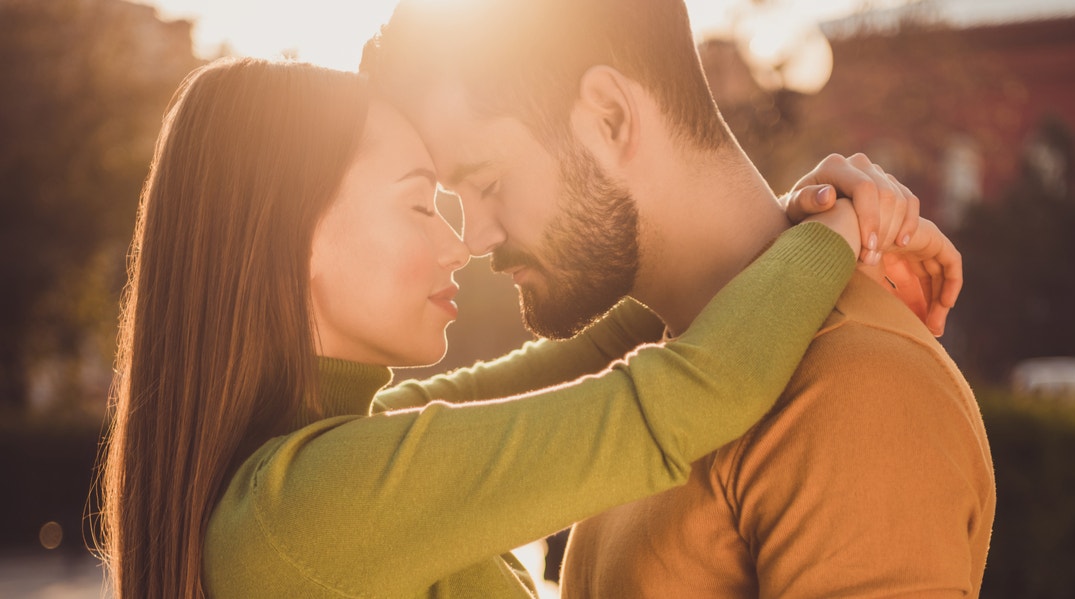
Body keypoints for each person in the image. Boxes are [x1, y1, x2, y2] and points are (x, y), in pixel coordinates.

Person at [95, 56, 943, 599]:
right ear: (286, 237)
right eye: (423, 202)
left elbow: (600, 358)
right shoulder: (311, 503)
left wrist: (789, 224)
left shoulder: (327, 461)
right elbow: (679, 397)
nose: (463, 243)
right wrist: (839, 232)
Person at [362, 0, 995, 597]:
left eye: (487, 181)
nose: (473, 238)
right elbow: (377, 442)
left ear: (610, 115)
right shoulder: (674, 359)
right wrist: (808, 237)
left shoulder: (860, 387)